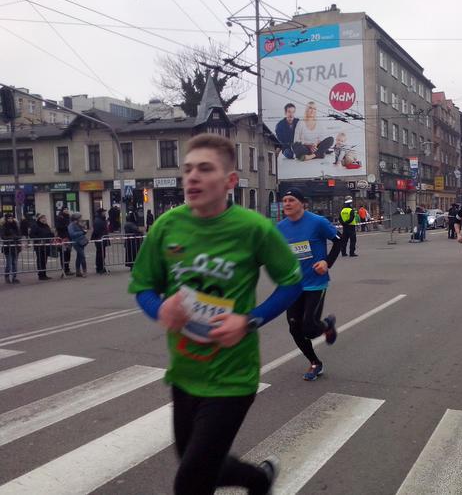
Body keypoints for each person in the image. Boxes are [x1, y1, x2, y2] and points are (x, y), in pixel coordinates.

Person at [128, 133, 303, 495]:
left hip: (231, 378)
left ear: (230, 181)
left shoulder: (253, 228)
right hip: (184, 373)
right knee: (201, 467)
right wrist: (160, 308)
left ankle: (255, 479)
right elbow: (143, 287)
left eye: (204, 169)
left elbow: (291, 282)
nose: (192, 177)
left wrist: (249, 320)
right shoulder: (166, 226)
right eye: (188, 169)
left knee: (190, 481)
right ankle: (257, 479)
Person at [277, 188, 341, 381]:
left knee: (309, 327)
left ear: (302, 203)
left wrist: (326, 263)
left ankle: (326, 325)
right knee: (294, 327)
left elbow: (337, 241)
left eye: (291, 200)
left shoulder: (317, 222)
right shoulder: (280, 227)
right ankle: (315, 362)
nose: (287, 203)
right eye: (284, 200)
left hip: (315, 283)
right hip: (293, 285)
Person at [30, 213, 55, 281]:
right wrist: (39, 240)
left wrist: (52, 234)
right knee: (40, 260)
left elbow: (49, 233)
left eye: (45, 218)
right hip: (39, 246)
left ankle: (44, 274)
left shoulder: (46, 225)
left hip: (46, 245)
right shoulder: (35, 226)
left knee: (44, 260)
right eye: (42, 218)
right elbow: (32, 235)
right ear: (39, 219)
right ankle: (40, 274)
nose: (44, 219)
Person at [1, 213, 21, 284]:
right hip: (8, 247)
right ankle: (7, 277)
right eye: (9, 218)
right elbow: (3, 237)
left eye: (11, 218)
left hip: (15, 247)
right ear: (6, 219)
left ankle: (14, 277)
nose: (10, 219)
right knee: (9, 263)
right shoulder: (4, 226)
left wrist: (16, 237)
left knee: (14, 263)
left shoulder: (15, 226)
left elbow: (19, 235)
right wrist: (12, 237)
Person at [67, 212, 88, 277]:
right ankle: (84, 271)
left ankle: (78, 271)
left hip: (82, 242)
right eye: (80, 217)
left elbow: (83, 231)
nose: (81, 218)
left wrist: (84, 228)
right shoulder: (71, 225)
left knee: (79, 257)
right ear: (76, 218)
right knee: (82, 256)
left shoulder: (79, 224)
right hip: (76, 242)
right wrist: (81, 232)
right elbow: (72, 234)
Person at [54, 207, 74, 276]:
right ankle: (64, 270)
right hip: (63, 238)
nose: (66, 210)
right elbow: (58, 227)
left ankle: (67, 269)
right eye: (65, 209)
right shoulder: (60, 218)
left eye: (67, 209)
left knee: (68, 254)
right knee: (63, 254)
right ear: (62, 211)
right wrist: (67, 226)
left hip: (69, 238)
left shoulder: (69, 217)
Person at [91, 208, 109, 275]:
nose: (105, 213)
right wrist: (98, 238)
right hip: (100, 239)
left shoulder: (102, 219)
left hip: (102, 239)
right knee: (100, 254)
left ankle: (102, 267)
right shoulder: (98, 220)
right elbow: (97, 231)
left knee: (102, 254)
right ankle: (99, 268)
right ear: (101, 213)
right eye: (104, 212)